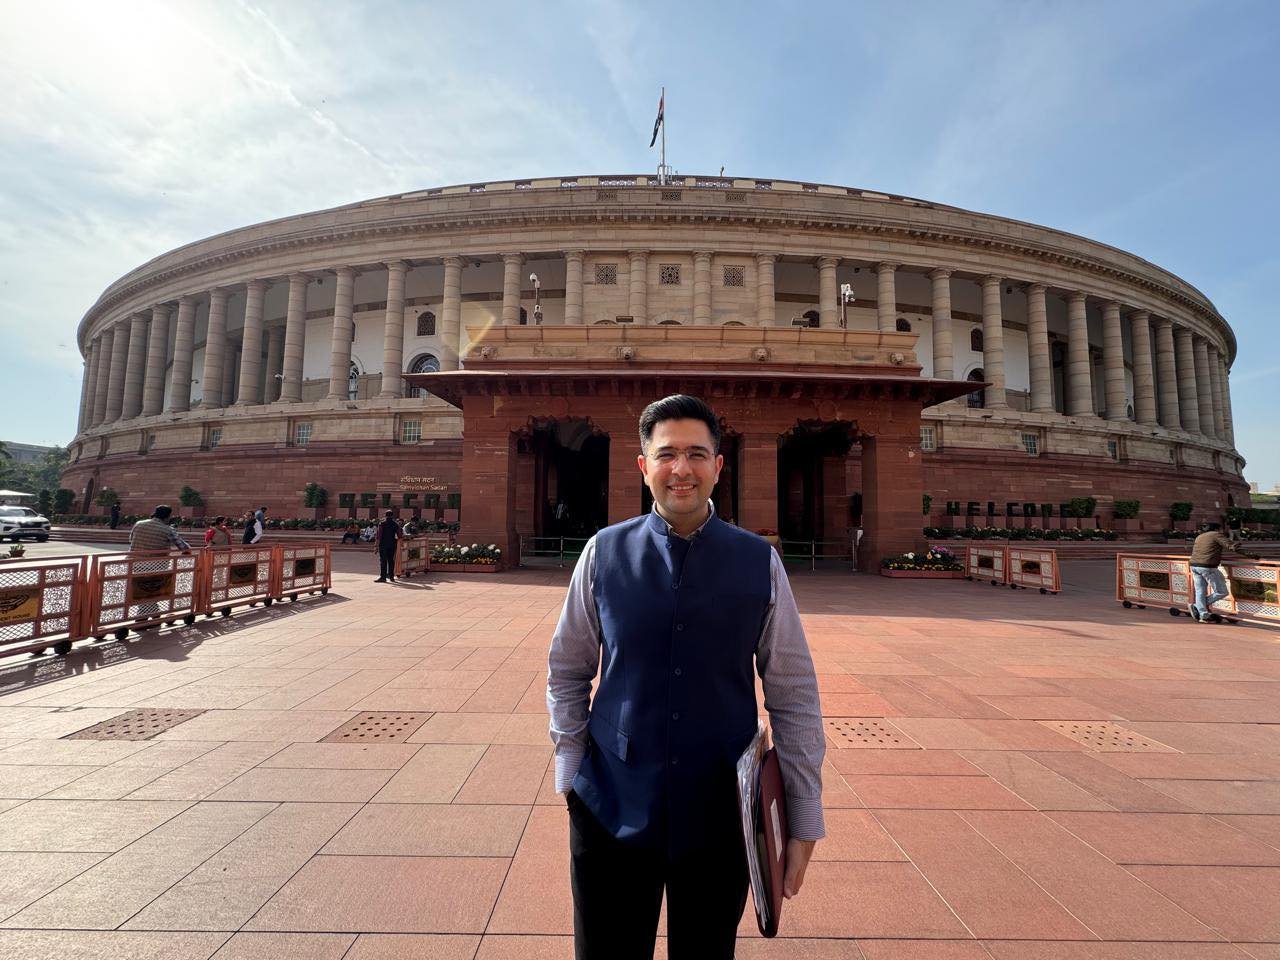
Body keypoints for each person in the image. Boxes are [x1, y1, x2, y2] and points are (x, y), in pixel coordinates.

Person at [546, 394, 825, 960]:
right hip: (611, 805)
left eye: (697, 454)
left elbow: (793, 694)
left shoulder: (757, 562)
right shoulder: (604, 554)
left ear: (719, 467)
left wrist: (803, 818)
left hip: (720, 813)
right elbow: (567, 669)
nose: (682, 469)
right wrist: (571, 772)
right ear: (642, 465)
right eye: (666, 453)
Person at [1187, 520, 1260, 622]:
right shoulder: (1216, 535)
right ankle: (1197, 606)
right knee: (1221, 592)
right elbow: (1231, 546)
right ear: (1217, 529)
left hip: (1194, 565)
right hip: (1208, 566)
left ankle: (1202, 613)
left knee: (1200, 591)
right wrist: (1250, 554)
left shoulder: (1200, 536)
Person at [373, 510, 401, 582]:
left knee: (383, 561)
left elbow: (379, 536)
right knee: (391, 561)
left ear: (385, 515)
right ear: (392, 516)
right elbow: (399, 535)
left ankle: (383, 577)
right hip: (392, 544)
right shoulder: (395, 524)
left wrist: (376, 546)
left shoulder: (382, 524)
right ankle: (391, 577)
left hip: (383, 544)